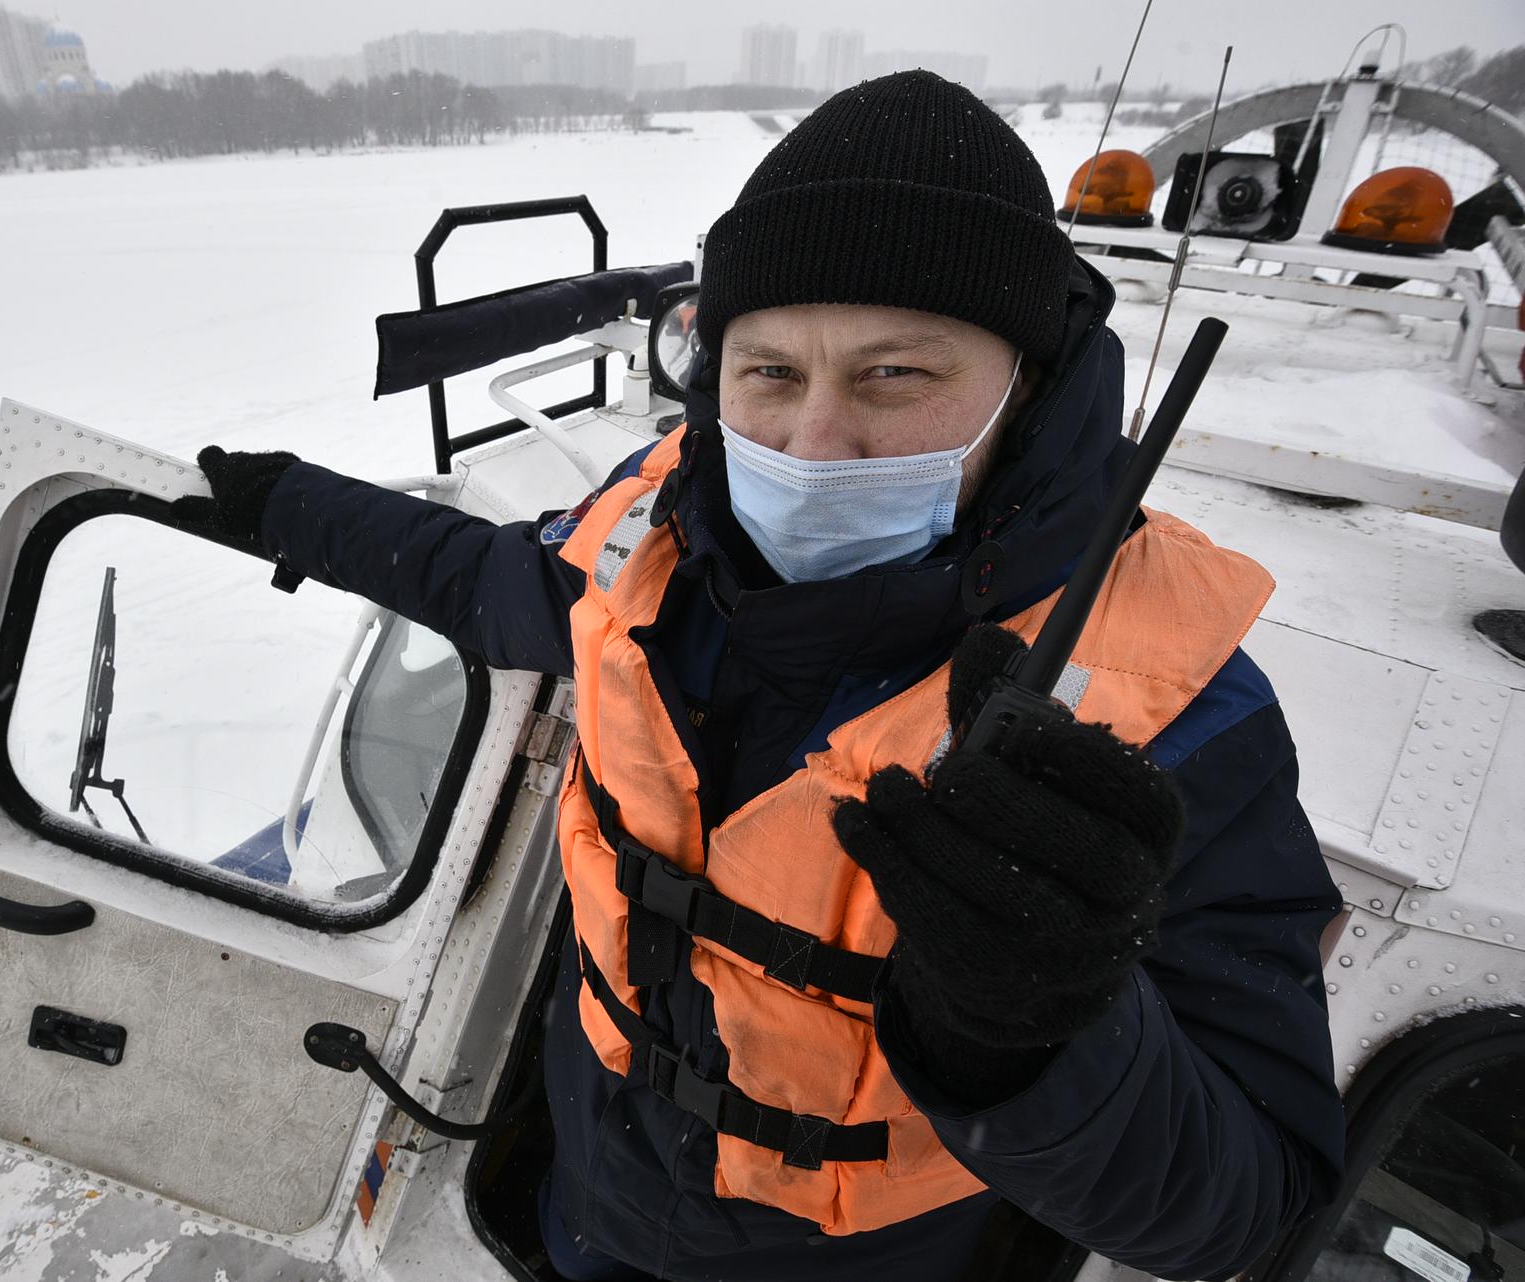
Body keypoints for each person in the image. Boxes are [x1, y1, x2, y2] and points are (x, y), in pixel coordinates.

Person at [175, 71, 1345, 1282]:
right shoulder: (659, 541)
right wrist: (291, 508)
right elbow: (489, 582)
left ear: (1029, 386)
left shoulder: (1177, 709)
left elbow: (1251, 1206)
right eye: (771, 373)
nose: (815, 441)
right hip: (593, 1194)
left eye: (897, 374)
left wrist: (1042, 1031)